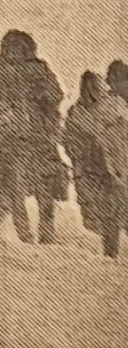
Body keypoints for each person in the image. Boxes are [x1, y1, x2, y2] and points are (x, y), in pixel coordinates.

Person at [0, 31, 67, 244]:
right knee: (14, 186)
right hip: (9, 140)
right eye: (10, 47)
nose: (13, 52)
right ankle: (23, 233)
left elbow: (55, 95)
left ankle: (46, 233)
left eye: (18, 48)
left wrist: (40, 97)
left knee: (43, 187)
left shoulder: (37, 68)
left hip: (38, 138)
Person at [64, 71, 128, 258]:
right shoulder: (78, 112)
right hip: (97, 170)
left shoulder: (115, 105)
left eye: (95, 86)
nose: (92, 91)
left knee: (120, 209)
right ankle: (111, 256)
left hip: (118, 167)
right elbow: (70, 141)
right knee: (109, 214)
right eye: (88, 87)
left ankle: (112, 255)